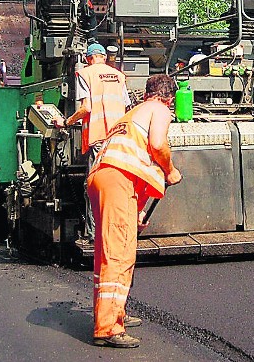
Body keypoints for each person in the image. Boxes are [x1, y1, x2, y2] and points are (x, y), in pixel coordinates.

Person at [87, 74, 182, 348]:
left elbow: (132, 163)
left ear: (144, 94)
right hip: (116, 181)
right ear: (170, 98)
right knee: (119, 253)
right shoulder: (160, 109)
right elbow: (157, 145)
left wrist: (137, 211)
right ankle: (107, 328)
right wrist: (170, 170)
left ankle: (116, 312)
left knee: (109, 249)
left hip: (102, 179)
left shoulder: (130, 116)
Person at [52, 43, 130, 244]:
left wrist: (66, 122)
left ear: (88, 58)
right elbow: (126, 107)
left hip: (99, 138)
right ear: (104, 57)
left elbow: (86, 108)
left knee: (95, 185)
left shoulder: (85, 74)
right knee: (118, 184)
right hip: (119, 138)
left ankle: (94, 235)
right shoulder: (119, 76)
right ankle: (120, 231)